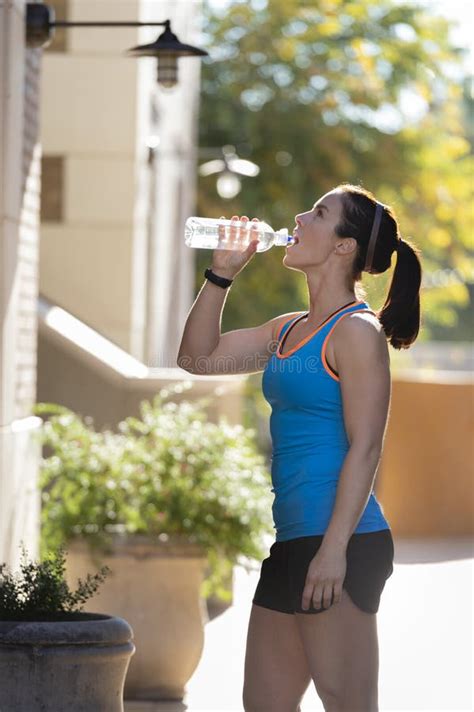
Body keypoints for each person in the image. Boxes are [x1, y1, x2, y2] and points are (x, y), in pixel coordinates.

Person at [177, 183, 422, 712]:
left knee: (349, 703)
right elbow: (197, 360)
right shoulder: (287, 330)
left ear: (343, 246)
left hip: (343, 544)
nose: (299, 216)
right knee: (263, 704)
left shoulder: (356, 333)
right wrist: (221, 274)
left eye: (318, 212)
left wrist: (333, 552)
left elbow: (365, 449)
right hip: (292, 541)